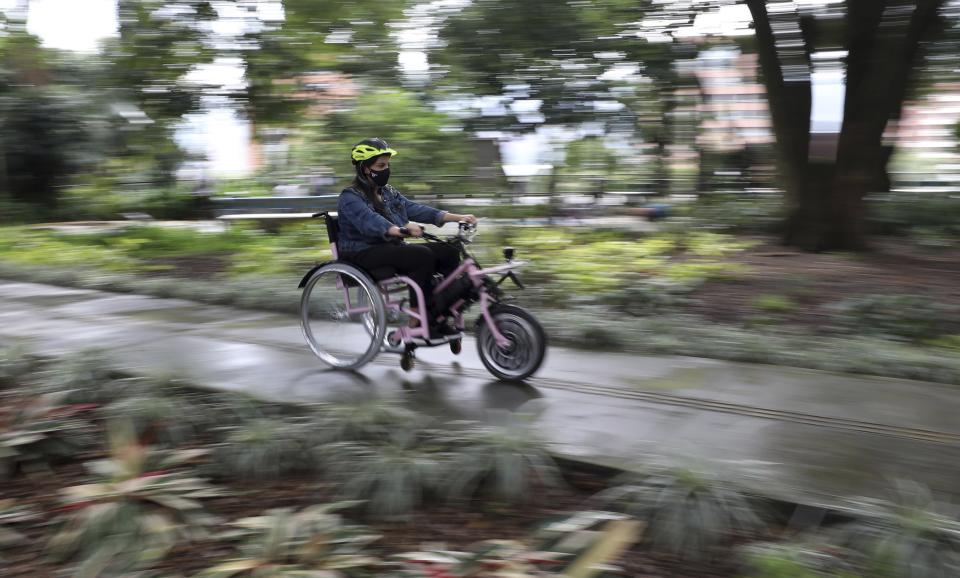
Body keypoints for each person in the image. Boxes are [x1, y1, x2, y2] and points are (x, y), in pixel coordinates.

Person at [336, 138, 478, 337]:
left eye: (387, 165)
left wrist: (458, 217)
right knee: (420, 255)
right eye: (380, 166)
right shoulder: (350, 197)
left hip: (388, 247)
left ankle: (440, 311)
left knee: (449, 251)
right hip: (361, 252)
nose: (386, 170)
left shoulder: (388, 193)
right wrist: (400, 230)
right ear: (366, 169)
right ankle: (417, 319)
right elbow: (370, 221)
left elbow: (415, 209)